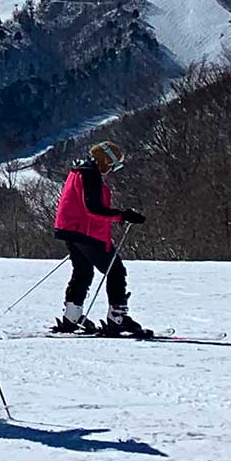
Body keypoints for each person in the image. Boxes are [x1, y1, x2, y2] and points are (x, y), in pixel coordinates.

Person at [51, 141, 148, 336]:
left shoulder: (78, 171)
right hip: (86, 231)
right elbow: (93, 208)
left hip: (71, 229)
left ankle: (72, 316)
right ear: (104, 160)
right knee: (116, 270)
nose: (112, 169)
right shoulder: (90, 175)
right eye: (113, 164)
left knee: (83, 271)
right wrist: (122, 215)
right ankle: (117, 318)